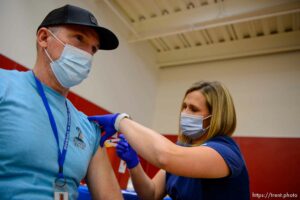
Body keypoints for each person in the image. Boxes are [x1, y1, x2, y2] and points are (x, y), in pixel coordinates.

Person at [0, 4, 123, 200]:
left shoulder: (89, 128)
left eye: (94, 49)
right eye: (79, 39)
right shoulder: (4, 86)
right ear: (44, 38)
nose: (87, 55)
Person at [89, 81, 250, 200]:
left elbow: (165, 157)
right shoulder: (183, 149)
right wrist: (134, 164)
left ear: (215, 118)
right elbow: (150, 194)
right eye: (184, 107)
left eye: (193, 109)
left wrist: (120, 121)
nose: (184, 113)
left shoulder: (225, 153)